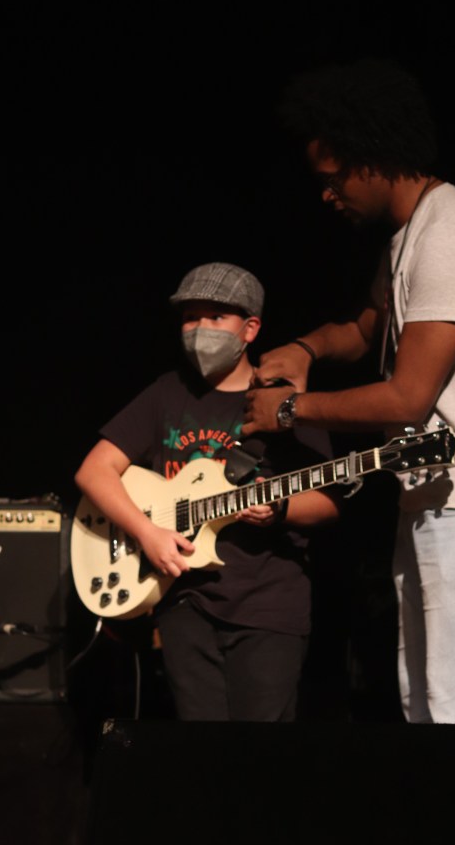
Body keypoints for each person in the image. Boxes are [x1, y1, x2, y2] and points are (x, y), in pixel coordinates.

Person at [242, 58, 455, 725]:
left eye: (332, 178)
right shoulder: (407, 238)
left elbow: (407, 398)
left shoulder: (450, 236)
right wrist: (305, 349)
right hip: (433, 492)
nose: (327, 196)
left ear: (372, 158)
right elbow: (365, 328)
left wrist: (289, 409)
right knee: (422, 703)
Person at [74, 261, 343, 721]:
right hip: (184, 599)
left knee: (260, 749)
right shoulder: (167, 393)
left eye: (216, 317)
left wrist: (280, 509)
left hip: (268, 604)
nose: (200, 329)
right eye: (190, 317)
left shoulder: (284, 401)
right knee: (200, 747)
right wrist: (146, 532)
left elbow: (329, 501)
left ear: (250, 328)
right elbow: (94, 471)